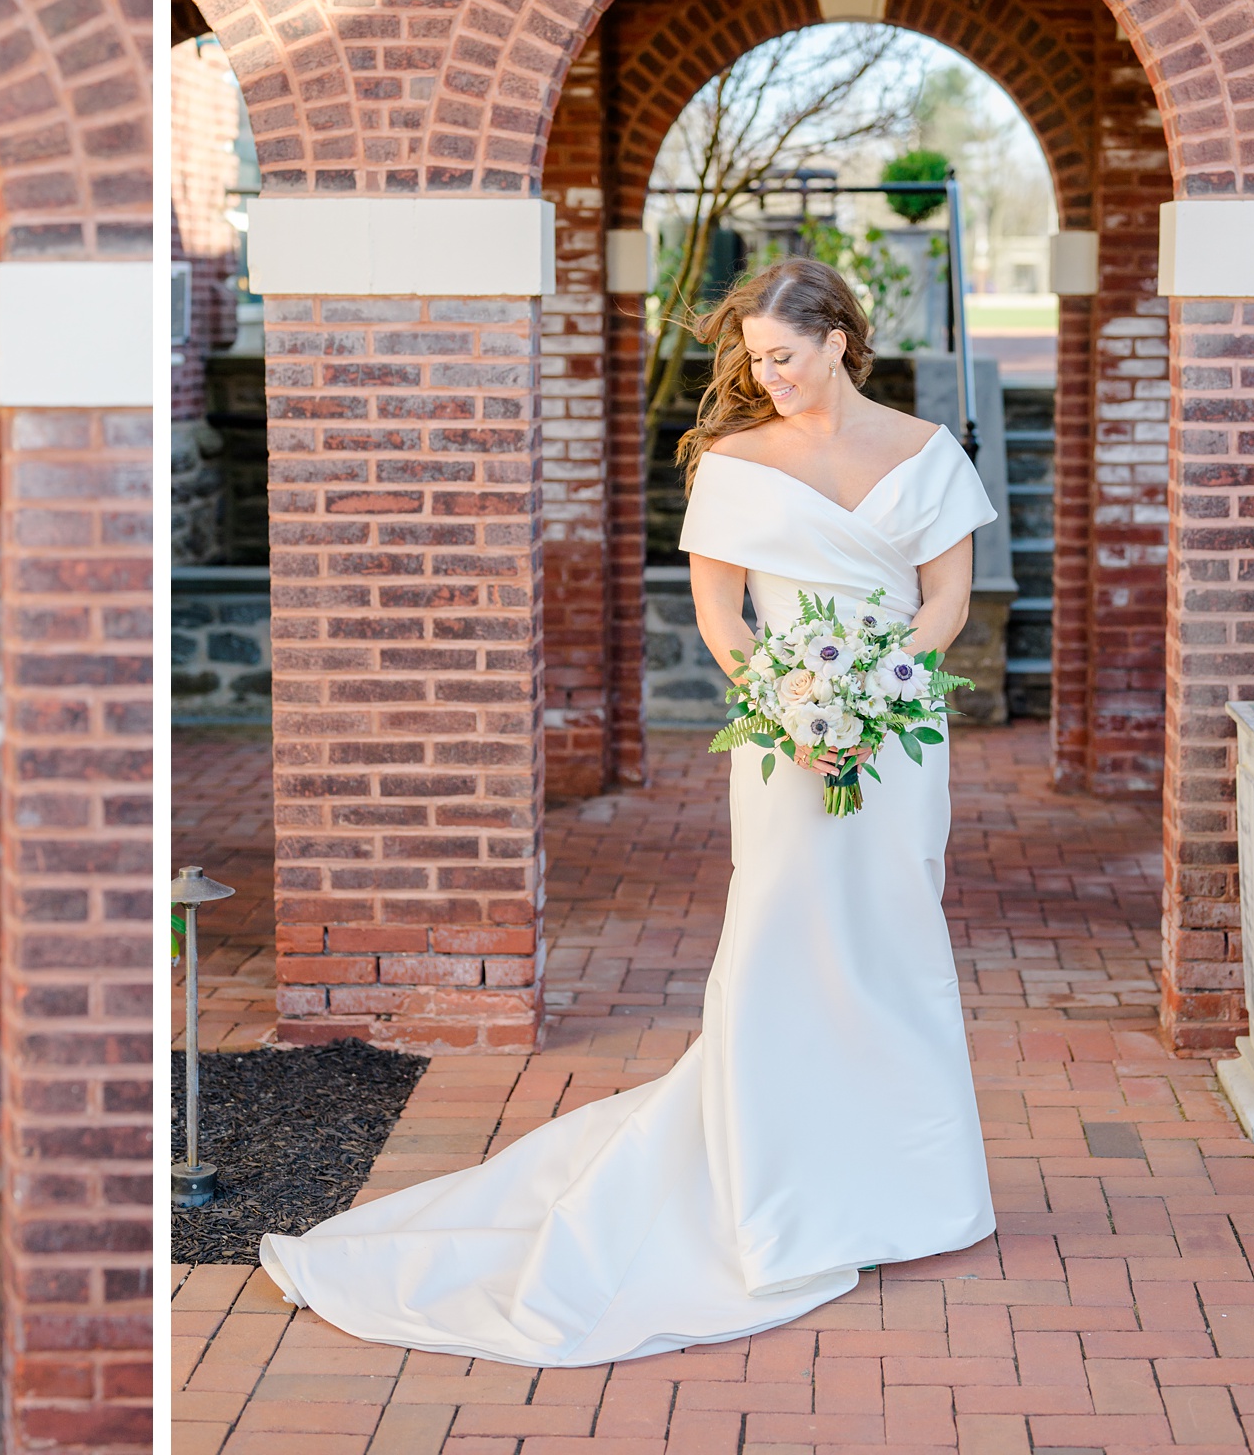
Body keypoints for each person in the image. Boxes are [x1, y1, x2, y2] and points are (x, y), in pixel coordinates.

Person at [257, 258, 996, 1365]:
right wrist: (792, 708)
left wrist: (887, 688)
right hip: (785, 743)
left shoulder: (927, 453)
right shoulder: (734, 464)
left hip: (898, 744)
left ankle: (903, 1188)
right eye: (755, 362)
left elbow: (947, 595)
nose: (770, 377)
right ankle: (777, 1189)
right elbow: (722, 615)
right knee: (784, 943)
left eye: (783, 357)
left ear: (838, 338)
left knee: (896, 941)